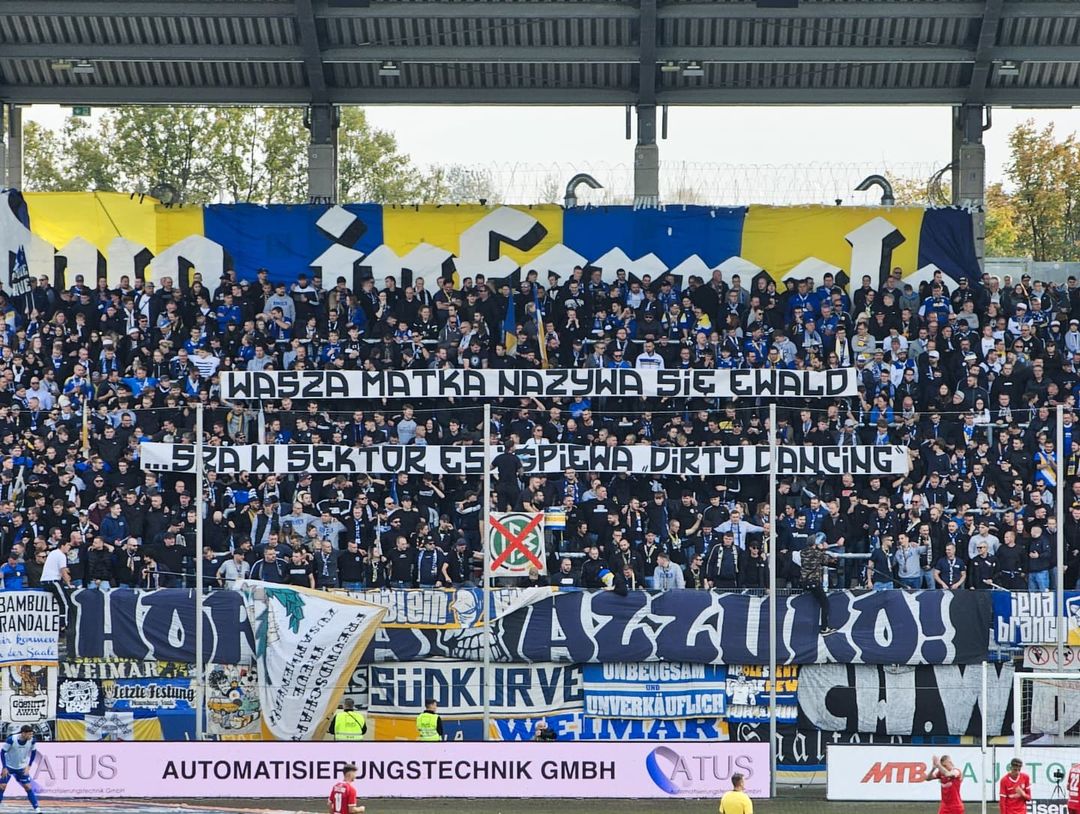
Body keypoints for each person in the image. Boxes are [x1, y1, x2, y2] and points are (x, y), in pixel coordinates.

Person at [0, 725, 41, 813]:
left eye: (32, 734)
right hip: (9, 766)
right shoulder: (11, 740)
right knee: (2, 786)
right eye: (29, 734)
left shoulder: (32, 741)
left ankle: (37, 809)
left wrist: (29, 766)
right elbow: (2, 752)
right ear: (23, 733)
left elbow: (34, 752)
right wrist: (4, 767)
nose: (31, 736)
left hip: (22, 767)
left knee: (28, 787)